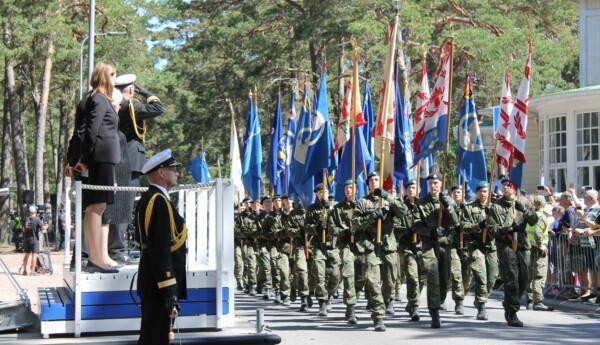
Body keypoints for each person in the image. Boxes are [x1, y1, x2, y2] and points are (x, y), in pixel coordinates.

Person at [135, 149, 187, 345]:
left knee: (155, 337)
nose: (177, 173)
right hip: (158, 285)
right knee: (155, 338)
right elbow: (159, 249)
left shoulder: (156, 200)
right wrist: (169, 290)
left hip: (155, 282)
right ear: (161, 172)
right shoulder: (157, 202)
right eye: (173, 169)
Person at [112, 74, 165, 263]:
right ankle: (116, 250)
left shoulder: (119, 104)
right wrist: (144, 91)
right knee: (123, 206)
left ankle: (116, 248)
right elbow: (159, 107)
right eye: (134, 88)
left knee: (121, 205)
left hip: (124, 159)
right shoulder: (130, 105)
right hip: (130, 161)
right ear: (131, 89)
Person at [78, 61, 120, 273]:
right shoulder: (100, 99)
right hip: (100, 158)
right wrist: (85, 157)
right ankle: (95, 257)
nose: (115, 78)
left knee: (99, 206)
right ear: (104, 76)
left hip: (105, 158)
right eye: (113, 74)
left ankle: (100, 255)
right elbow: (91, 131)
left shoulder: (104, 100)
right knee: (96, 206)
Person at [488, 178, 538, 327]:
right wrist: (507, 230)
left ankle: (509, 301)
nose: (506, 188)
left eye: (509, 185)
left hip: (522, 244)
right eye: (504, 186)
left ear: (515, 187)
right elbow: (492, 228)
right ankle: (512, 312)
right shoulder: (496, 206)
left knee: (525, 277)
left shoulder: (525, 202)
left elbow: (534, 221)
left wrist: (525, 210)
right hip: (506, 245)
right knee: (511, 278)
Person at [412, 173, 460, 328]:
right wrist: (430, 231)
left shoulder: (448, 201)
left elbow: (456, 222)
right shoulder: (421, 203)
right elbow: (415, 225)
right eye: (432, 183)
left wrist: (448, 206)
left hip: (445, 245)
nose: (434, 186)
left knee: (445, 279)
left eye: (437, 183)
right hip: (429, 245)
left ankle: (439, 301)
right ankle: (434, 313)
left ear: (441, 184)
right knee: (433, 276)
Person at [526, 195, 554, 311]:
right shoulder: (541, 217)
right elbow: (537, 232)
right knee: (539, 275)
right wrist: (541, 245)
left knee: (530, 274)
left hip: (529, 247)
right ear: (543, 205)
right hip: (538, 249)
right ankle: (538, 301)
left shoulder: (531, 215)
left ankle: (529, 300)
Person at [22, 205, 48, 275]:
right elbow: (43, 228)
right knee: (34, 256)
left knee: (26, 255)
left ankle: (24, 270)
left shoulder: (26, 219)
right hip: (34, 240)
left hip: (27, 239)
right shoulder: (37, 219)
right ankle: (32, 271)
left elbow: (23, 229)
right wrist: (46, 226)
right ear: (35, 212)